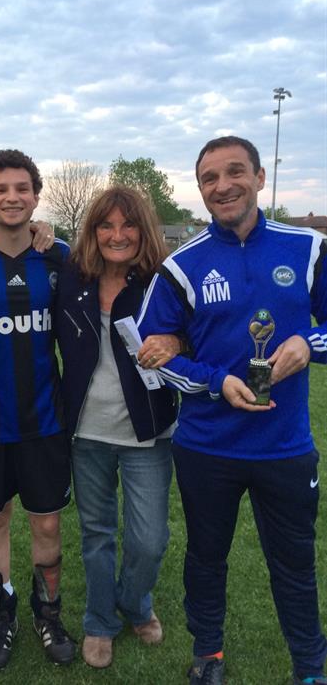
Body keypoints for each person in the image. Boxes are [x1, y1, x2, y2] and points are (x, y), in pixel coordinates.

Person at [137, 136, 327, 685]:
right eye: (209, 179)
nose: (223, 186)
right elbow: (150, 352)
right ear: (200, 191)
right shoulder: (182, 265)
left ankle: (310, 667)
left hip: (285, 447)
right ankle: (208, 654)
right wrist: (216, 381)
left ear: (260, 177)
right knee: (206, 558)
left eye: (234, 172)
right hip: (206, 448)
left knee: (294, 564)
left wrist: (309, 344)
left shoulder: (308, 249)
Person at [0, 149, 76, 670]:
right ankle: (1, 619)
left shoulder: (59, 255)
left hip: (46, 417)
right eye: (1, 190)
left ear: (35, 196)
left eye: (21, 188)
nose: (12, 197)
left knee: (46, 525)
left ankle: (48, 614)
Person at [55, 185, 180, 668]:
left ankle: (135, 601)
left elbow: (196, 334)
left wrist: (175, 340)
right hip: (87, 433)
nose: (117, 235)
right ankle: (99, 621)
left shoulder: (162, 281)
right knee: (97, 533)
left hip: (148, 433)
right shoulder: (70, 276)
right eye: (106, 225)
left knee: (149, 540)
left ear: (143, 229)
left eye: (128, 225)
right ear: (92, 231)